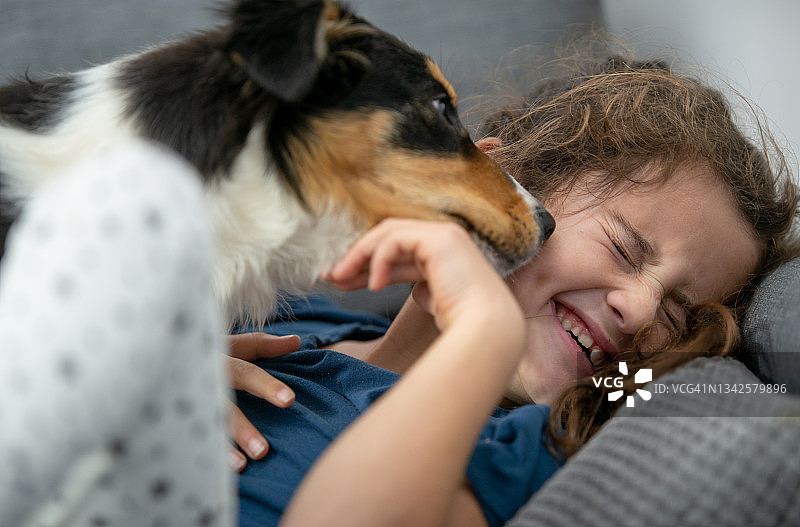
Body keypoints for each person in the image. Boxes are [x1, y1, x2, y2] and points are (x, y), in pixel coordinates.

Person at [226, 56, 800, 527]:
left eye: (678, 313)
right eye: (624, 249)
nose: (641, 308)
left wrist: (485, 330)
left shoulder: (528, 453)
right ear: (497, 183)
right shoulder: (287, 319)